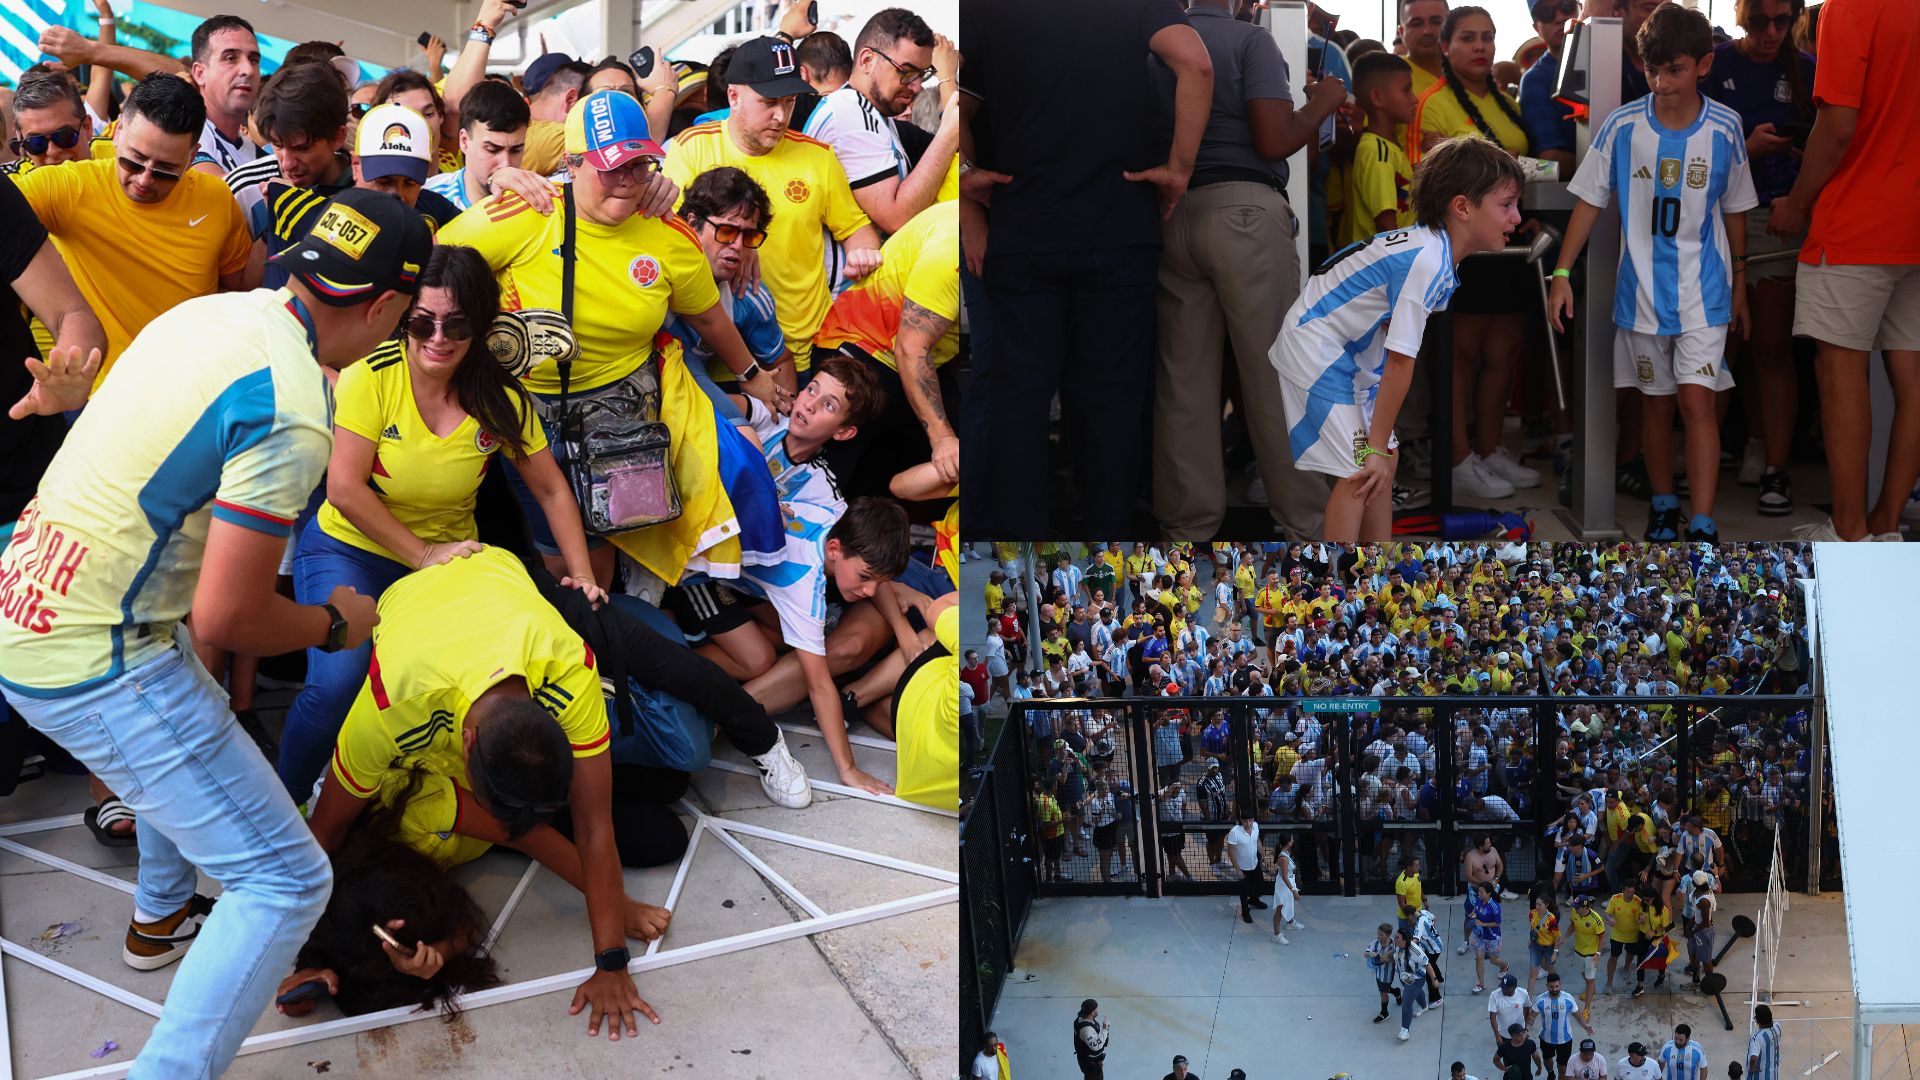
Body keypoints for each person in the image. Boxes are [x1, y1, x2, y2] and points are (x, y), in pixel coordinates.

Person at [0, 187, 427, 1078]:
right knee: (287, 881)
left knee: (203, 735)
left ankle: (159, 918)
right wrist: (335, 621)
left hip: (33, 608)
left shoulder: (207, 315)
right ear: (386, 307)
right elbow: (228, 617)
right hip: (98, 657)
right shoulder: (293, 405)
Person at [275, 244, 600, 802]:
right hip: (352, 549)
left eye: (457, 323)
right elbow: (345, 490)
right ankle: (286, 801)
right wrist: (423, 555)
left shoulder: (499, 395)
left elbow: (550, 488)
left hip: (446, 562)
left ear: (482, 322)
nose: (438, 338)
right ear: (404, 317)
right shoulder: (371, 377)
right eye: (422, 321)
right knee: (337, 683)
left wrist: (584, 574)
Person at [440, 89, 767, 588]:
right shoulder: (527, 213)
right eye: (612, 168)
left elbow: (709, 319)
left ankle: (615, 636)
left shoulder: (666, 231)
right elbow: (433, 269)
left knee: (613, 542)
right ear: (572, 165)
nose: (628, 182)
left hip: (621, 414)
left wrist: (752, 375)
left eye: (639, 166)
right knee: (555, 553)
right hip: (526, 415)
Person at [963, 0, 1214, 535]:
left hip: (1024, 226)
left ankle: (1017, 565)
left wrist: (966, 178)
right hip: (1118, 226)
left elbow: (958, 102)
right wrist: (1178, 170)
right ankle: (1106, 549)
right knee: (1113, 404)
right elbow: (1197, 64)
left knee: (1019, 405)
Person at [1549, 3, 1757, 542]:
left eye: (1675, 70)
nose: (1661, 82)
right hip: (1639, 295)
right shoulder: (1621, 125)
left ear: (1704, 66)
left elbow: (1736, 210)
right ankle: (1663, 507)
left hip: (1704, 295)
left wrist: (1740, 283)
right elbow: (1589, 202)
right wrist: (1562, 273)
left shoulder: (1726, 127)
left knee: (1697, 402)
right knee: (1655, 408)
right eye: (1652, 70)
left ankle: (1704, 520)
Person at [1148, 0, 1343, 540]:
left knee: (1183, 385)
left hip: (1171, 213)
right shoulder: (1249, 41)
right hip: (1245, 212)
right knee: (1277, 377)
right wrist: (1323, 100)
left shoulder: (1157, 41)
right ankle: (1306, 527)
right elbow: (1274, 138)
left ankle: (1185, 532)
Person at [1268, 135, 1524, 541]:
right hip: (1318, 347)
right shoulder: (1426, 261)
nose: (1517, 218)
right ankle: (1335, 587)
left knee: (1384, 458)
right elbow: (1402, 361)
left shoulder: (1433, 251)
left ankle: (1378, 570)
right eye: (1506, 205)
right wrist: (1372, 447)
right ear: (1462, 207)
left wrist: (1379, 445)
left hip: (1349, 350)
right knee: (1360, 469)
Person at [1771, 0, 1920, 541]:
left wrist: (1797, 202)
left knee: (1840, 374)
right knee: (1914, 380)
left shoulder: (1851, 8)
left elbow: (1836, 124)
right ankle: (1884, 524)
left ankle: (1851, 532)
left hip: (1859, 218)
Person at [11, 72, 251, 393]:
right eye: (134, 161)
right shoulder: (67, 186)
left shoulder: (217, 199)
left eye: (165, 170)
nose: (144, 180)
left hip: (194, 393)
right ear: (117, 130)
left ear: (193, 156)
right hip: (101, 397)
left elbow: (239, 288)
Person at [663, 36, 884, 375]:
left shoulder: (818, 158)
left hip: (802, 352)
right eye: (768, 102)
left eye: (790, 101)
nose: (781, 116)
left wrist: (863, 253)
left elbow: (857, 230)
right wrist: (741, 244)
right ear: (734, 96)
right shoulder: (690, 149)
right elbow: (671, 234)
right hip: (710, 354)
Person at [1408, 7, 1541, 504]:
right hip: (1460, 243)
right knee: (1459, 354)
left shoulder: (1507, 101)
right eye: (1467, 38)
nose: (1480, 46)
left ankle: (1489, 449)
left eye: (1487, 37)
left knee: (1502, 352)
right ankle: (1458, 457)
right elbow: (1441, 174)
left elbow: (1521, 173)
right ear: (1446, 46)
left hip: (1505, 241)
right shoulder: (1434, 102)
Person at [1704, 0, 1816, 518]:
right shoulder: (1715, 63)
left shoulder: (1809, 69)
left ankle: (1775, 466)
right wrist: (1746, 147)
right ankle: (1704, 461)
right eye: (1759, 22)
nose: (1771, 32)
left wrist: (1805, 157)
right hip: (1717, 217)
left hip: (1781, 216)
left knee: (1771, 344)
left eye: (1781, 21)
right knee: (1720, 342)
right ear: (1741, 16)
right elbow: (1691, 151)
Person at [813, 202, 962, 495]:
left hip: (922, 354)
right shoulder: (953, 250)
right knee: (832, 481)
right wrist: (942, 438)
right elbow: (910, 348)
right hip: (860, 348)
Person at [802, 9, 956, 235]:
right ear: (867, 60)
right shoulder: (849, 113)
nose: (915, 86)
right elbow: (896, 218)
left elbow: (959, 164)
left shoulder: (872, 114)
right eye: (906, 72)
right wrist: (949, 133)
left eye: (923, 75)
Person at [666, 167, 795, 406]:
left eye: (748, 237)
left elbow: (780, 363)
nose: (737, 245)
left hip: (691, 405)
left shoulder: (749, 296)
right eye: (727, 231)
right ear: (693, 224)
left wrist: (782, 429)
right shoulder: (653, 264)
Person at [1341, 53, 1418, 248]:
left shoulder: (1386, 147)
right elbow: (1386, 224)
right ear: (1377, 97)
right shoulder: (1377, 151)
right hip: (1385, 269)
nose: (1415, 98)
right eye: (1406, 90)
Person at [425, 79, 532, 212]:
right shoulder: (427, 200)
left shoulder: (537, 200)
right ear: (464, 141)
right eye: (492, 149)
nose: (505, 164)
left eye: (516, 150)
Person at [1518, 0, 1582, 173]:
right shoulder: (1535, 80)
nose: (1560, 17)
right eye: (1546, 13)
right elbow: (1550, 160)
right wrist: (1616, 165)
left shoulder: (1617, 57)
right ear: (1536, 28)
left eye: (1567, 7)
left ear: (1580, 9)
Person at [1535, 972, 1590, 1078]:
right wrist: (1526, 1029)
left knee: (1563, 1069)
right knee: (1547, 1060)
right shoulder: (1540, 1000)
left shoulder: (1568, 999)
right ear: (1547, 986)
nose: (1554, 989)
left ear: (1560, 985)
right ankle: (1550, 1073)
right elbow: (1532, 1017)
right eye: (1551, 987)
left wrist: (1586, 1025)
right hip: (1546, 1039)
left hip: (1565, 1040)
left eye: (1557, 986)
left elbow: (1577, 1015)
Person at [1567, 892, 1605, 1019]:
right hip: (1578, 950)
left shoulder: (1596, 920)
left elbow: (1602, 936)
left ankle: (1587, 1009)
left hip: (1590, 954)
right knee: (1584, 974)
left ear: (1585, 907)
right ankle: (1591, 988)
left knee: (1590, 980)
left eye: (1578, 907)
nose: (1575, 909)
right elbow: (1573, 924)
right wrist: (1565, 937)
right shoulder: (1575, 912)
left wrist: (1598, 953)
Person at [1471, 881, 1514, 992]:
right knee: (1479, 958)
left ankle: (1504, 966)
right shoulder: (1479, 900)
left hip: (1492, 937)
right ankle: (1481, 984)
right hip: (1480, 936)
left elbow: (1497, 923)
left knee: (1493, 960)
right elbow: (1475, 909)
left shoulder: (1495, 907)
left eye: (1481, 892)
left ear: (1489, 893)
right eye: (1478, 891)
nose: (1479, 894)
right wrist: (1473, 914)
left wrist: (1482, 924)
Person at [1225, 806, 1264, 924]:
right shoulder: (1234, 832)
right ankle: (1245, 911)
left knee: (1258, 884)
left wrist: (1263, 856)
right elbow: (1231, 852)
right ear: (1241, 821)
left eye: (1250, 820)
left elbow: (1257, 841)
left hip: (1255, 863)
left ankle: (1255, 900)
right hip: (1242, 867)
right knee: (1244, 891)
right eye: (1245, 821)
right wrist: (1238, 870)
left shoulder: (1256, 826)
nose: (1248, 823)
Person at [1682, 870, 1717, 989]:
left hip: (1703, 932)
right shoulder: (1697, 891)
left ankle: (1710, 984)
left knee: (1706, 961)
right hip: (1696, 928)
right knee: (1693, 955)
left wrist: (1692, 931)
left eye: (1693, 879)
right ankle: (1695, 981)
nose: (1691, 880)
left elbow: (1706, 922)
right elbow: (1697, 915)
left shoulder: (1704, 901)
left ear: (1697, 883)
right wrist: (1688, 926)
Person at [1396, 926, 1432, 1040]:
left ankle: (1405, 1030)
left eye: (1397, 938)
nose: (1394, 939)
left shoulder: (1416, 950)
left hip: (1416, 979)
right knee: (1415, 993)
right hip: (1404, 976)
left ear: (1405, 940)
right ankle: (1424, 1006)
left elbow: (1427, 964)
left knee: (1406, 1002)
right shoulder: (1397, 946)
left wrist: (1434, 980)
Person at [1367, 921, 1404, 1023]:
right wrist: (1370, 954)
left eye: (1381, 934)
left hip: (1387, 974)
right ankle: (1396, 992)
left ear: (1388, 935)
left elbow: (1395, 959)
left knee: (1383, 992)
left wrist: (1382, 958)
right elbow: (1365, 954)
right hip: (1378, 973)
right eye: (1378, 933)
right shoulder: (1375, 942)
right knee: (1384, 989)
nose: (1378, 936)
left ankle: (1384, 1013)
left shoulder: (1393, 946)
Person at [1271, 830, 1304, 942]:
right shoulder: (1283, 858)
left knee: (1287, 904)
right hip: (1284, 885)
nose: (1293, 840)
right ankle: (1277, 935)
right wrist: (1294, 891)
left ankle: (1290, 922)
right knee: (1280, 908)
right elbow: (1285, 877)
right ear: (1289, 842)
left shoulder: (1285, 854)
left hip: (1287, 883)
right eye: (1292, 839)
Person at [1527, 893, 1562, 998]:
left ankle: (1556, 992)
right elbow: (1533, 928)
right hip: (1536, 946)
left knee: (1551, 971)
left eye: (1539, 905)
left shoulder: (1551, 920)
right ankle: (1528, 999)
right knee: (1533, 972)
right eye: (1536, 904)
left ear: (1546, 905)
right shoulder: (1532, 914)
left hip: (1549, 947)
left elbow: (1557, 938)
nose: (1537, 906)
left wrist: (1555, 952)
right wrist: (1531, 940)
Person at [1074, 998, 1110, 1079]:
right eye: (1097, 1009)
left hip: (1092, 1062)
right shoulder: (1086, 1029)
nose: (1098, 1010)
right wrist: (1105, 1029)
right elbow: (1095, 1046)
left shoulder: (1081, 1019)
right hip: (1091, 1066)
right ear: (1092, 1012)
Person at [1747, 1004, 1782, 1080]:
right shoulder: (1778, 1027)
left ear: (1758, 1021)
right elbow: (1773, 1022)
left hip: (1761, 1076)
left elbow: (1753, 1058)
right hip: (1773, 1074)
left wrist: (1751, 1069)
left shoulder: (1757, 1038)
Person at [1395, 853, 1426, 933]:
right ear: (1409, 867)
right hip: (1407, 917)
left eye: (1418, 864)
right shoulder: (1401, 882)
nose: (1419, 867)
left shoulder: (1416, 873)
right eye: (1416, 865)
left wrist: (1424, 900)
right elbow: (1401, 903)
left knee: (1417, 938)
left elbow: (1419, 886)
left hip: (1418, 911)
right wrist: (1409, 918)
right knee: (1406, 942)